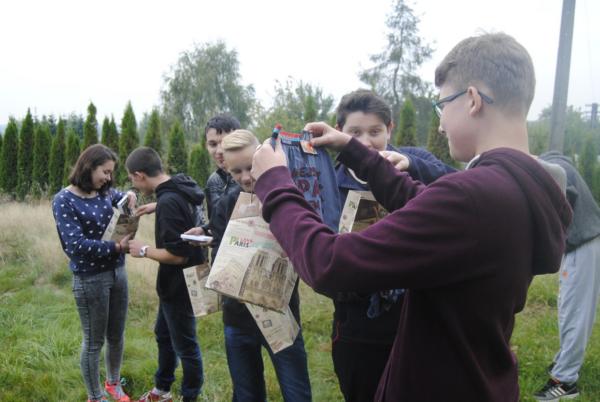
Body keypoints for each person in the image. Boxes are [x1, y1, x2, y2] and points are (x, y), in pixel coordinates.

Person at [250, 33, 573, 401]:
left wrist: (275, 183)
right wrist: (354, 150)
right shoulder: (515, 188)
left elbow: (330, 263)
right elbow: (428, 206)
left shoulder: (473, 196)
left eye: (442, 105)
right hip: (482, 379)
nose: (441, 125)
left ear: (472, 100)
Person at [330, 89, 456, 402]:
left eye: (375, 132)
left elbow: (458, 185)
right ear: (339, 132)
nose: (366, 142)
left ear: (390, 129)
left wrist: (411, 164)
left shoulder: (414, 160)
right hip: (356, 323)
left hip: (415, 318)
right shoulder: (329, 181)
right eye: (354, 133)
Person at [199, 129, 312, 401]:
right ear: (226, 169)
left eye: (250, 167)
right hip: (237, 320)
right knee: (247, 393)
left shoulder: (285, 197)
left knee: (296, 391)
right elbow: (218, 250)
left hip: (281, 315)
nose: (246, 177)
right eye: (236, 171)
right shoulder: (227, 203)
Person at [52, 144, 135, 402]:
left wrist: (130, 194)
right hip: (90, 279)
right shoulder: (64, 200)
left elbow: (122, 198)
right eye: (105, 172)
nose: (109, 178)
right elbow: (75, 245)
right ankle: (95, 396)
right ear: (89, 167)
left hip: (118, 272)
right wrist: (116, 247)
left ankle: (113, 384)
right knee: (94, 341)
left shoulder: (104, 192)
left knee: (116, 336)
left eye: (111, 173)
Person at [125, 147, 205, 402]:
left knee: (186, 345)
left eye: (132, 179)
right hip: (187, 279)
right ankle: (162, 389)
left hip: (180, 284)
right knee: (164, 334)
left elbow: (178, 255)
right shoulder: (180, 185)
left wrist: (143, 250)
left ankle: (190, 396)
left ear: (139, 175)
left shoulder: (169, 201)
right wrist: (156, 206)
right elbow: (179, 207)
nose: (135, 185)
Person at [533, 151, 600, 401]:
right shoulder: (555, 163)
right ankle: (564, 363)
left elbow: (560, 202)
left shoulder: (550, 168)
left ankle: (566, 381)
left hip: (583, 244)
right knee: (568, 308)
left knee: (574, 314)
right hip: (584, 243)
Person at [204, 114, 242, 219]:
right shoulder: (213, 181)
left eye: (226, 142)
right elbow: (215, 223)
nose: (219, 151)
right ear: (206, 146)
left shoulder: (255, 176)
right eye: (213, 144)